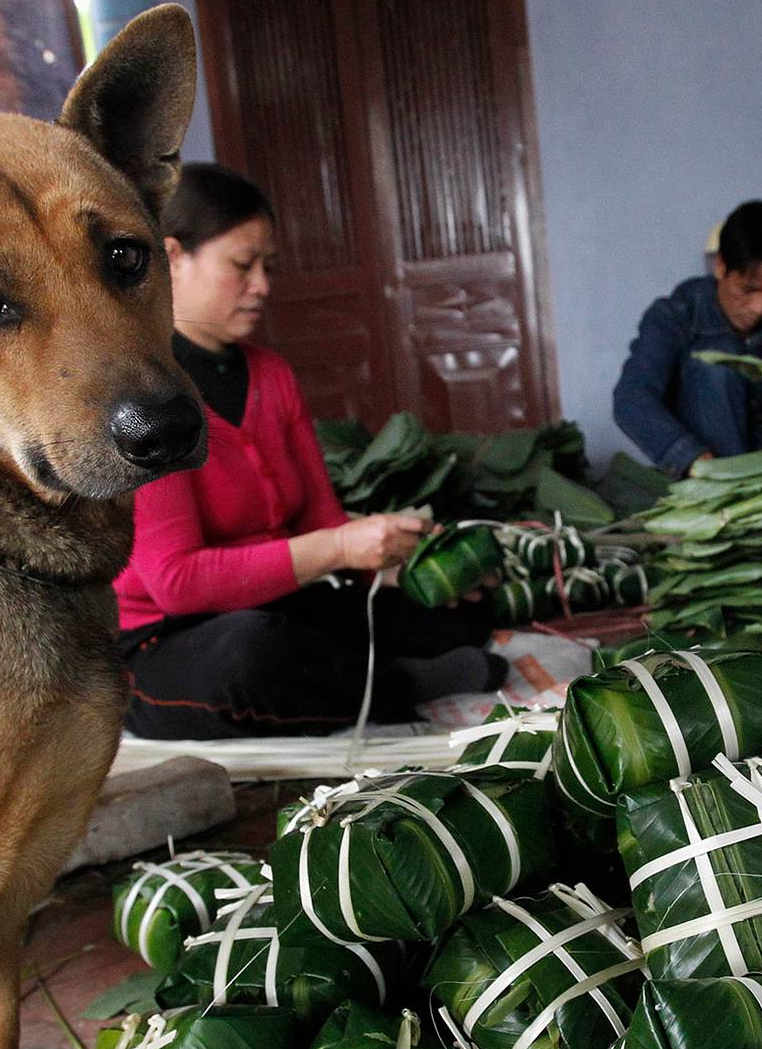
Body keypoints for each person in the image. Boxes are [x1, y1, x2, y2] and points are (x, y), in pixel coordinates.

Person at [115, 163, 500, 738]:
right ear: (173, 258)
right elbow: (176, 582)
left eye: (268, 267)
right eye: (242, 265)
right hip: (170, 640)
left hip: (281, 604)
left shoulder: (270, 375)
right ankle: (400, 688)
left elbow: (322, 520)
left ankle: (359, 676)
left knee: (454, 608)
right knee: (250, 656)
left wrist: (397, 563)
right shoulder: (149, 393)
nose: (263, 286)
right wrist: (339, 546)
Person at [613, 200, 762, 478]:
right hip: (711, 470)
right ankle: (730, 491)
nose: (760, 307)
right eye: (748, 289)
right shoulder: (675, 314)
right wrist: (692, 459)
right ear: (720, 266)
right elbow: (632, 399)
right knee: (716, 367)